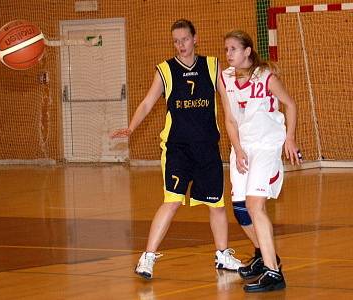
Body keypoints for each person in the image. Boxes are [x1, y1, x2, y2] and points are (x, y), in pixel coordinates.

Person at [111, 19, 243, 280]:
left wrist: (239, 142)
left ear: (196, 39)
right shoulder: (166, 70)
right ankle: (147, 257)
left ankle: (222, 255)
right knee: (171, 201)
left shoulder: (213, 66)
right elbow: (148, 102)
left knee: (216, 205)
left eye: (184, 39)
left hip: (207, 147)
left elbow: (229, 106)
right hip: (177, 149)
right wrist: (131, 126)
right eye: (176, 41)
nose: (180, 45)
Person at [220, 29, 302, 292]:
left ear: (247, 51)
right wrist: (237, 148)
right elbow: (229, 119)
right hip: (242, 148)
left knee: (255, 204)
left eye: (233, 48)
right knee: (240, 208)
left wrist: (289, 138)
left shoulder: (266, 77)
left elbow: (290, 104)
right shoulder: (225, 79)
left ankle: (273, 272)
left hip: (267, 146)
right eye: (226, 49)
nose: (228, 53)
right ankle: (266, 256)